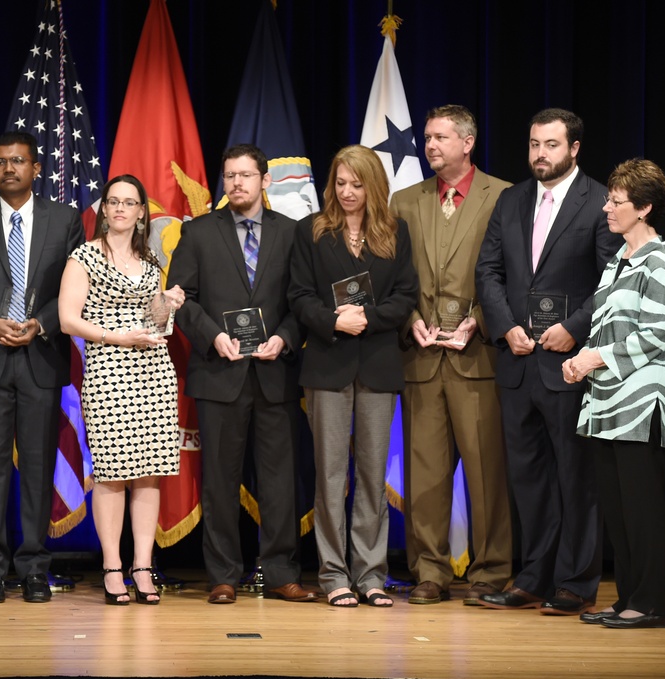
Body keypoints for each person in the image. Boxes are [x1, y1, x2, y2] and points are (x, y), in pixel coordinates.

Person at [475, 108, 622, 615]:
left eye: (551, 145)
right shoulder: (511, 199)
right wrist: (506, 325)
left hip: (568, 366)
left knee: (575, 478)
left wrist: (573, 329)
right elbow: (488, 271)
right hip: (516, 364)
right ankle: (532, 578)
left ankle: (577, 583)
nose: (540, 153)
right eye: (535, 144)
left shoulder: (600, 201)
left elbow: (611, 282)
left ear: (574, 148)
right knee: (529, 480)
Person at [167, 143, 316, 605]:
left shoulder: (294, 233)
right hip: (219, 372)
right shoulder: (197, 233)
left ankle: (279, 573)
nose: (236, 184)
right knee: (219, 481)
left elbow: (302, 302)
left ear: (264, 181)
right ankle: (223, 576)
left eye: (245, 176)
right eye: (229, 176)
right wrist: (212, 336)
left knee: (280, 483)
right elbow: (183, 300)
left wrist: (285, 338)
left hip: (275, 375)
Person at [0, 131, 84, 604]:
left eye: (19, 161)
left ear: (36, 168)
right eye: (0, 162)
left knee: (39, 466)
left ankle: (33, 567)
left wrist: (41, 324)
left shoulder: (65, 219)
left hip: (40, 360)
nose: (9, 169)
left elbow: (72, 287)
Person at [389, 105, 512, 606]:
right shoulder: (404, 200)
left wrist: (480, 320)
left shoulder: (503, 196)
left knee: (486, 474)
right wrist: (406, 319)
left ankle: (490, 572)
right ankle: (429, 571)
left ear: (468, 142)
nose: (430, 145)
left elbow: (514, 274)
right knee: (425, 475)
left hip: (477, 357)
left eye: (441, 137)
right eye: (427, 137)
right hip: (421, 359)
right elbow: (389, 277)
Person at [289, 145, 418, 607]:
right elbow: (299, 296)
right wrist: (333, 321)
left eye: (356, 184)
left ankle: (371, 574)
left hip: (379, 366)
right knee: (330, 475)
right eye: (340, 183)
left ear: (374, 186)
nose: (347, 192)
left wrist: (370, 318)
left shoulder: (395, 233)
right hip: (327, 365)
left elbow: (406, 296)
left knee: (371, 475)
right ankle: (333, 575)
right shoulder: (313, 233)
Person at [563, 159, 665, 629]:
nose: (607, 206)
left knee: (642, 508)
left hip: (642, 402)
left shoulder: (659, 259)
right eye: (609, 197)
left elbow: (657, 332)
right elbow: (607, 325)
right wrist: (583, 357)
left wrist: (595, 358)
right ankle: (628, 597)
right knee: (617, 506)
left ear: (644, 207)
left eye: (617, 200)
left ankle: (651, 604)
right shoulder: (620, 259)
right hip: (609, 402)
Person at [59, 175, 183, 605]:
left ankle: (143, 567)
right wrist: (117, 338)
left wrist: (169, 303)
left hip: (153, 373)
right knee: (112, 475)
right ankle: (113, 567)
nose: (119, 209)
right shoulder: (84, 257)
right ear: (104, 209)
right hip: (110, 372)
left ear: (141, 212)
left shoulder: (150, 263)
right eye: (113, 202)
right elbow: (68, 320)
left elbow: (154, 324)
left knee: (148, 474)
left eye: (129, 203)